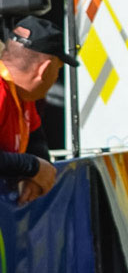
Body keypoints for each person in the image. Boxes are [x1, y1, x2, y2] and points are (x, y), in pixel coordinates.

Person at [0, 17, 75, 204]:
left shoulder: (22, 95)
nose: (56, 78)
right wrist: (32, 167)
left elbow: (36, 138)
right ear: (45, 69)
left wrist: (34, 173)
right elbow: (35, 163)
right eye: (58, 70)